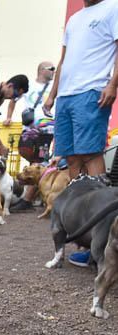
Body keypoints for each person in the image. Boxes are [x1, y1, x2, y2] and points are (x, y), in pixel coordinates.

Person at [44, 0, 118, 267]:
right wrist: (52, 94)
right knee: (72, 159)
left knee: (90, 154)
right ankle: (84, 231)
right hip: (66, 96)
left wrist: (112, 83)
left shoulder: (113, 8)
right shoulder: (75, 19)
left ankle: (105, 232)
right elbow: (63, 60)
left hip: (92, 91)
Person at [8, 62, 56, 213]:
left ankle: (27, 199)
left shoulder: (54, 86)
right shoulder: (31, 86)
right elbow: (13, 99)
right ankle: (31, 196)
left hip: (48, 130)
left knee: (40, 161)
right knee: (29, 157)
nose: (54, 71)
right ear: (41, 70)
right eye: (51, 69)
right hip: (29, 129)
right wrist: (8, 117)